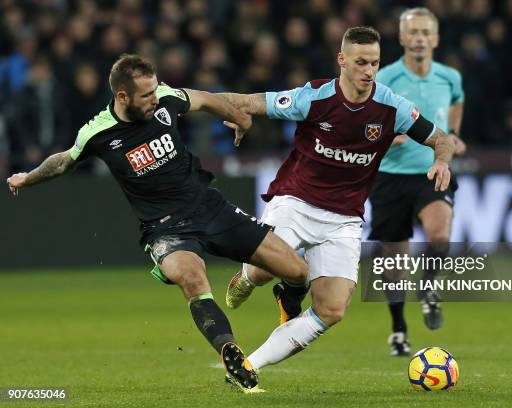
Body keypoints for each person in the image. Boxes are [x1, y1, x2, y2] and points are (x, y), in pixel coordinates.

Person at [6, 54, 308, 393]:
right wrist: (26, 178)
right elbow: (63, 162)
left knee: (298, 272)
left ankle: (281, 296)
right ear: (122, 97)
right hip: (165, 229)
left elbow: (205, 98)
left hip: (210, 207)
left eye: (155, 90)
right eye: (146, 94)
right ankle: (230, 351)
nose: (155, 98)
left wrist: (240, 118)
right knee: (192, 279)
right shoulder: (99, 131)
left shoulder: (165, 97)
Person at [219, 26, 454, 374]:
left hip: (344, 218)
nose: (369, 71)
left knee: (331, 310)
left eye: (374, 63)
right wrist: (215, 109)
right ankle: (248, 278)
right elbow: (251, 101)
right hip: (295, 202)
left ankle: (249, 366)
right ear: (342, 60)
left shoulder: (392, 107)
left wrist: (441, 161)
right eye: (361, 62)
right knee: (264, 271)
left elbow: (441, 138)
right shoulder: (313, 97)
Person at [368, 8, 467, 357]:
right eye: (414, 32)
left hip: (432, 171)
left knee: (440, 235)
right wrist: (382, 137)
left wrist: (452, 134)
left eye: (426, 32)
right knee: (394, 262)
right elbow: (368, 122)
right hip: (390, 176)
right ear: (403, 38)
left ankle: (427, 288)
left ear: (436, 39)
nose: (421, 38)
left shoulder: (450, 77)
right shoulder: (385, 79)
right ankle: (398, 329)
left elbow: (456, 102)